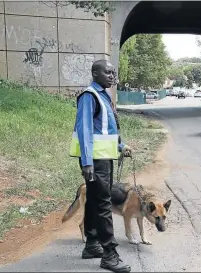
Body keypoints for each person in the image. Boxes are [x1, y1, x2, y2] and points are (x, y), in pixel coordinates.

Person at [69, 59, 132, 273]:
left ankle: (92, 244)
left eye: (113, 72)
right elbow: (85, 129)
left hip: (103, 157)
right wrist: (87, 162)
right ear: (95, 74)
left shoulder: (104, 95)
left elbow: (102, 130)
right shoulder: (90, 96)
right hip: (94, 160)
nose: (112, 76)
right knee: (104, 203)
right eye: (107, 72)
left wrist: (121, 146)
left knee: (96, 200)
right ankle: (110, 254)